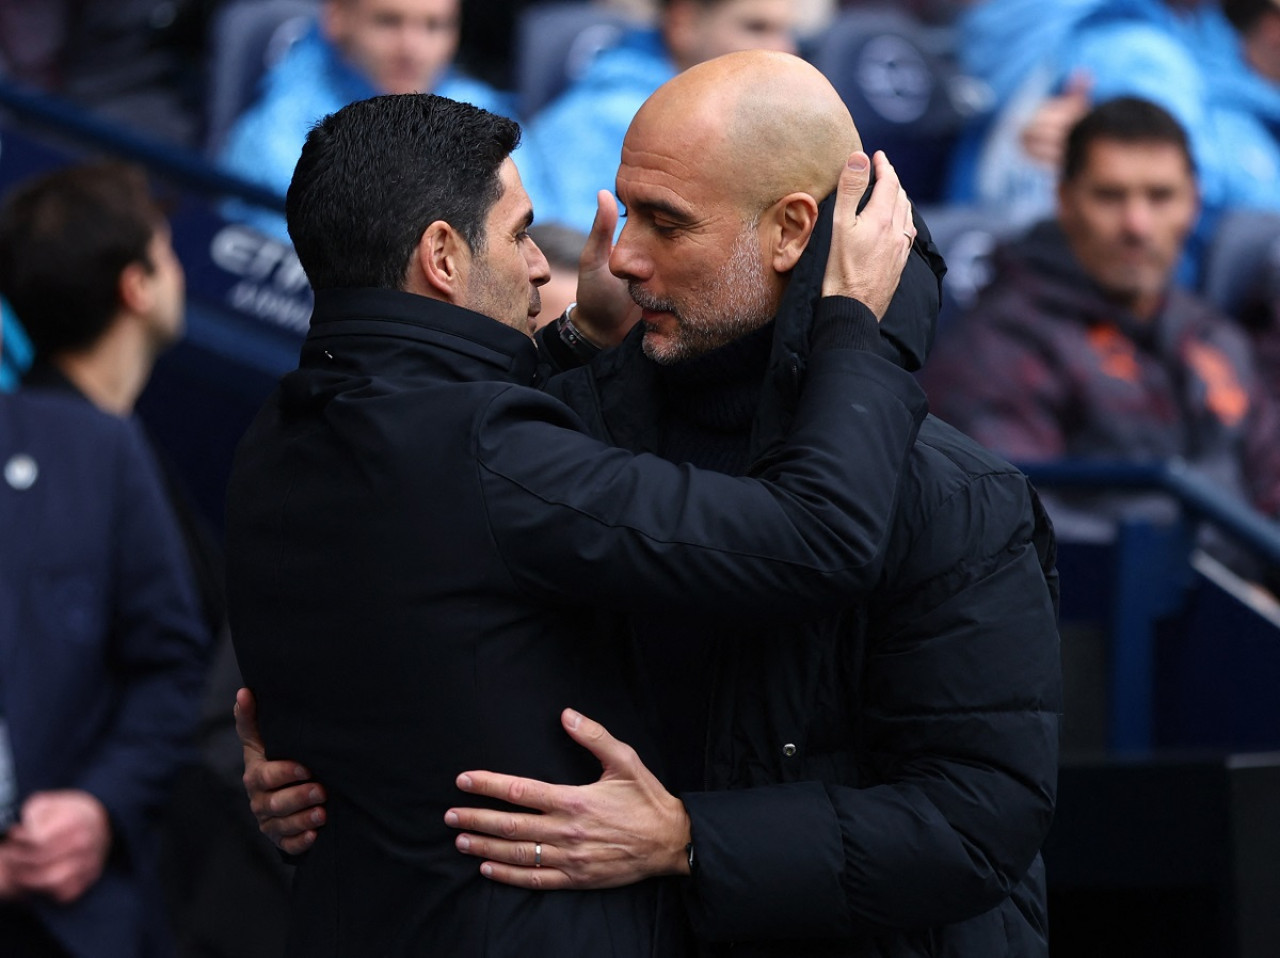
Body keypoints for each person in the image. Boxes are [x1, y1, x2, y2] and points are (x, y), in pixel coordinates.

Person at [241, 50, 1062, 958]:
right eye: (624, 212)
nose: (617, 258)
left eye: (664, 223)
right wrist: (337, 765)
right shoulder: (550, 436)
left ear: (793, 232)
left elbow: (978, 823)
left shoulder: (956, 496)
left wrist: (690, 840)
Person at [0, 160, 291, 958]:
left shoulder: (126, 450)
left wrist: (100, 806)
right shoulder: (70, 447)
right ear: (136, 287)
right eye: (166, 253)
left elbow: (168, 663)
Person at [923, 97, 1280, 565]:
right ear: (1066, 201)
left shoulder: (1211, 334)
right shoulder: (1001, 345)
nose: (1137, 225)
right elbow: (1015, 533)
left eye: (1160, 196)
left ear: (1193, 203)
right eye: (1111, 196)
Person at [948, 0, 1280, 276]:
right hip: (1081, 306)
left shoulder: (1064, 32)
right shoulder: (1139, 55)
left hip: (982, 271)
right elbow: (1171, 222)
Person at [217, 0, 515, 239]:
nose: (412, 48)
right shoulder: (277, 131)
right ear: (337, 18)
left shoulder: (485, 109)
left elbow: (539, 229)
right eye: (389, 21)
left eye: (434, 26)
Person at [519, 0, 799, 234]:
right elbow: (579, 267)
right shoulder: (601, 119)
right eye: (756, 28)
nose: (783, 49)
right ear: (684, 23)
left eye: (786, 31)